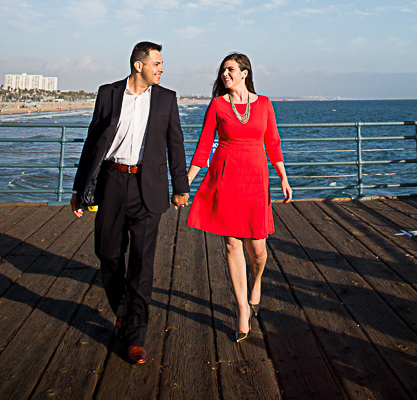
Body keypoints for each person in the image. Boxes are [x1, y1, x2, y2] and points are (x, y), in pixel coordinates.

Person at [71, 41, 189, 365]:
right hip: (111, 182)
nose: (161, 69)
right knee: (107, 253)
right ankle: (124, 311)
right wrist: (78, 188)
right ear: (139, 65)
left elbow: (175, 145)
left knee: (142, 264)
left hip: (147, 188)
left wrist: (181, 187)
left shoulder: (167, 99)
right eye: (157, 64)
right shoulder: (108, 93)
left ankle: (135, 336)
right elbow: (92, 141)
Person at [186, 52, 292, 341]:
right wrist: (187, 181)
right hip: (226, 176)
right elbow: (204, 145)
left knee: (257, 248)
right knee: (233, 244)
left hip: (256, 178)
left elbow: (272, 142)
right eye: (222, 71)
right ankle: (242, 308)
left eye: (231, 69)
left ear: (245, 72)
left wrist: (283, 177)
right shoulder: (218, 105)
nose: (225, 75)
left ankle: (256, 281)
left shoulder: (265, 104)